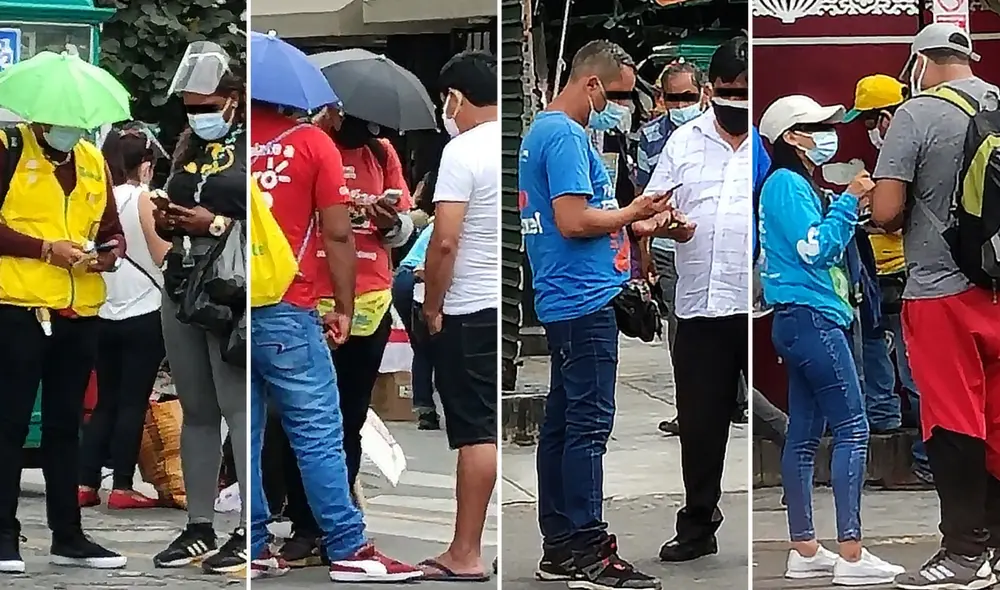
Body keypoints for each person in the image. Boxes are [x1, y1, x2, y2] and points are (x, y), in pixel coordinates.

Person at [248, 94, 421, 581]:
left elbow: (405, 220)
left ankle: (257, 540)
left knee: (262, 424)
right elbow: (337, 234)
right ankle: (342, 540)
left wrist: (389, 221)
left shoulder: (238, 144)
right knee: (317, 428)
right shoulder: (311, 144)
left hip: (245, 303)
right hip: (300, 301)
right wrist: (341, 307)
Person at [519, 39, 667, 590]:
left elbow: (584, 219)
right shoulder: (563, 135)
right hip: (582, 300)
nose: (625, 105)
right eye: (622, 93)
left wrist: (637, 223)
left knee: (563, 422)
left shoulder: (545, 130)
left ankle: (560, 543)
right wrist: (631, 210)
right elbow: (574, 220)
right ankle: (587, 546)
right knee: (587, 424)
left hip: (569, 295)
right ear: (593, 84)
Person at [869, 22, 1000, 589]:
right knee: (996, 421)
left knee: (951, 420)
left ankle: (964, 554)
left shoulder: (917, 113)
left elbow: (886, 212)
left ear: (919, 61)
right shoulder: (998, 101)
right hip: (995, 288)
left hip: (940, 291)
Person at [757, 94, 904, 585]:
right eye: (817, 126)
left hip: (798, 320)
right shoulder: (787, 186)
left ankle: (806, 548)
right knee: (853, 428)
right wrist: (849, 200)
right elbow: (816, 249)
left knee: (803, 435)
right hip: (815, 320)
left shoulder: (790, 185)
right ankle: (853, 553)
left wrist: (843, 206)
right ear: (791, 138)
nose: (828, 133)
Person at [0, 96, 128, 575]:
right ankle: (4, 535)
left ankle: (68, 535)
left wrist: (110, 252)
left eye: (80, 121)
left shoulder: (93, 159)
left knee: (63, 425)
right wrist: (42, 248)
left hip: (78, 309)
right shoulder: (9, 147)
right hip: (18, 306)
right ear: (40, 116)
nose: (71, 130)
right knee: (9, 424)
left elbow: (112, 229)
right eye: (63, 122)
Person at [638, 36, 750, 564]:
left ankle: (804, 526)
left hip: (760, 306)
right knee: (701, 426)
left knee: (788, 416)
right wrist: (664, 226)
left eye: (747, 92)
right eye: (729, 91)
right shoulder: (684, 143)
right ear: (712, 90)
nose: (738, 101)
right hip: (701, 307)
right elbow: (651, 210)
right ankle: (698, 523)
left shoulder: (769, 146)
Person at [151, 44, 248, 574]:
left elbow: (269, 222)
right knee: (196, 407)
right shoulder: (186, 151)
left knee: (238, 404)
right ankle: (199, 524)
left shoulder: (256, 150)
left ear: (233, 100)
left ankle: (248, 526)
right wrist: (169, 221)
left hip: (230, 284)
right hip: (183, 282)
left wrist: (212, 225)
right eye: (191, 107)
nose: (198, 115)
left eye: (207, 105)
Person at [416, 50, 499, 581]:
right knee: (486, 425)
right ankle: (469, 546)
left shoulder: (462, 151)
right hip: (502, 304)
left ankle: (464, 551)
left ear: (456, 98)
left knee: (474, 433)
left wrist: (431, 304)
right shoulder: (518, 143)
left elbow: (444, 241)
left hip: (466, 306)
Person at [844, 74, 932, 483]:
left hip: (905, 274)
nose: (867, 130)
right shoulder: (895, 154)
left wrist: (869, 219)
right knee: (875, 353)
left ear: (885, 116)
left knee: (914, 369)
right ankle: (883, 425)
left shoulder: (908, 153)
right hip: (874, 275)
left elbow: (896, 217)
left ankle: (927, 458)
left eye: (867, 120)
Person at [78, 126, 169, 510]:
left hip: (102, 310)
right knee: (133, 400)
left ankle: (84, 483)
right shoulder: (144, 199)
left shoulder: (94, 197)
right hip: (144, 310)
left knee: (104, 401)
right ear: (144, 166)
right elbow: (162, 254)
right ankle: (122, 485)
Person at [632, 61, 707, 436]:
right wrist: (644, 254)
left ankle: (737, 399)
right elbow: (645, 199)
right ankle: (689, 407)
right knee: (682, 328)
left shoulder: (724, 131)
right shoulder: (649, 139)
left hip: (714, 242)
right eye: (673, 98)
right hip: (667, 244)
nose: (680, 105)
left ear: (704, 94)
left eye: (687, 97)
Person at [393, 170, 439, 430]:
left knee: (422, 347)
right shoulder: (451, 221)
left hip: (404, 278)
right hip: (419, 278)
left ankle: (425, 409)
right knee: (437, 344)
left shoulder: (437, 221)